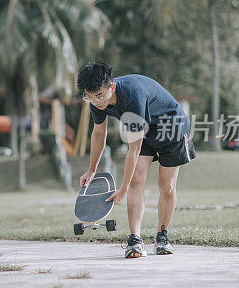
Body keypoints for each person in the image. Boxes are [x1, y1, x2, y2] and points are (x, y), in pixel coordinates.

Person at [76, 61, 195, 258]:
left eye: (99, 96)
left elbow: (134, 149)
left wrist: (122, 190)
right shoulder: (97, 101)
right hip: (145, 131)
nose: (96, 101)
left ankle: (162, 237)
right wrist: (92, 169)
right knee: (136, 180)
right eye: (89, 97)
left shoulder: (132, 96)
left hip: (171, 128)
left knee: (166, 187)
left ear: (111, 87)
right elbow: (98, 134)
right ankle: (135, 240)